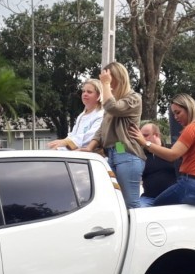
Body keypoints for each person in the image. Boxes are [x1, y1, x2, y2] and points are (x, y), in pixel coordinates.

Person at [129, 95, 195, 207]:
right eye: (174, 114)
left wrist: (145, 143)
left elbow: (172, 155)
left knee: (156, 207)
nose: (176, 117)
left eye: (178, 112)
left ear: (189, 108)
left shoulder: (191, 129)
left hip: (192, 187)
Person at [82, 62, 145, 208]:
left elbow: (112, 107)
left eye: (109, 78)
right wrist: (90, 147)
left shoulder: (134, 98)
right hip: (113, 152)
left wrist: (104, 84)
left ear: (117, 77)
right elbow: (102, 128)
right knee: (115, 202)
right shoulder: (111, 101)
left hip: (127, 154)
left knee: (130, 203)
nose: (107, 82)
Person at [47, 79, 105, 151]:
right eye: (83, 91)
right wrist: (60, 145)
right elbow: (73, 135)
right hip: (77, 153)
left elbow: (89, 137)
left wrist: (65, 142)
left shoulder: (101, 115)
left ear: (99, 95)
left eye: (89, 92)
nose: (85, 94)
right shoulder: (82, 115)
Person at [138, 122, 178, 205]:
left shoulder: (172, 150)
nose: (142, 139)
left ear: (156, 135)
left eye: (145, 135)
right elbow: (121, 153)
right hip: (149, 198)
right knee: (137, 211)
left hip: (173, 198)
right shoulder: (141, 155)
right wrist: (118, 141)